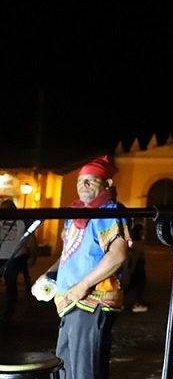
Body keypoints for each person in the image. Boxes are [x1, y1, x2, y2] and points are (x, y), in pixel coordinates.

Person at [31, 155, 131, 379]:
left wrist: (83, 285)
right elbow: (69, 254)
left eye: (91, 180)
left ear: (107, 184)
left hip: (92, 300)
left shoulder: (109, 211)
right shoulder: (75, 214)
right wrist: (49, 275)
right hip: (71, 300)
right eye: (80, 180)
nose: (83, 185)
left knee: (85, 370)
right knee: (65, 364)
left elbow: (118, 254)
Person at [0, 199, 38, 320]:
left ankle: (8, 316)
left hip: (14, 257)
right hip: (5, 257)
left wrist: (33, 256)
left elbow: (32, 240)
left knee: (11, 286)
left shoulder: (24, 221)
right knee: (10, 287)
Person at [125, 223, 148, 312]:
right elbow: (136, 256)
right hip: (138, 264)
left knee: (133, 284)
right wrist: (132, 268)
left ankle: (135, 301)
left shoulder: (137, 241)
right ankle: (137, 304)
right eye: (142, 230)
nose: (144, 232)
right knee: (140, 283)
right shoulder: (137, 242)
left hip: (138, 264)